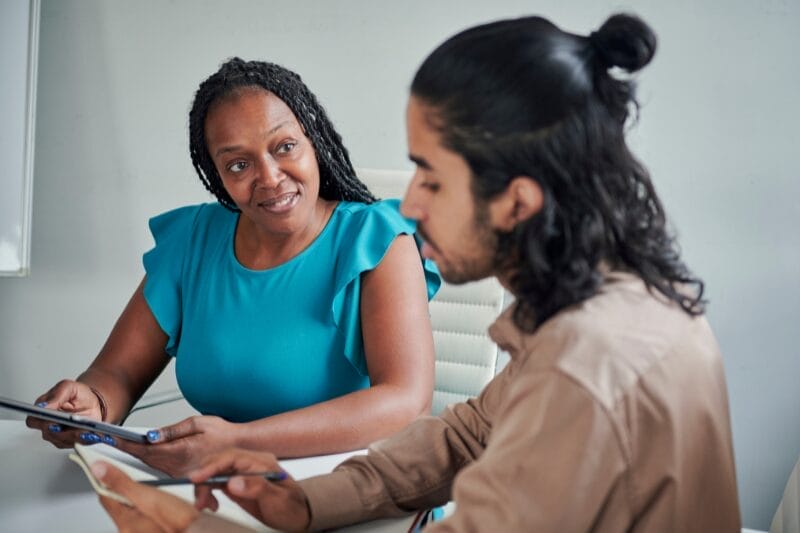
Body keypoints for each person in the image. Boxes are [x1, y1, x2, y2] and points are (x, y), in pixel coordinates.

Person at [93, 13, 741, 532]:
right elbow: (467, 435)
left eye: (431, 177)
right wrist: (307, 502)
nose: (411, 202)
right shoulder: (597, 308)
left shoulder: (586, 367)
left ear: (516, 200)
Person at [27, 58, 440, 476]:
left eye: (284, 147)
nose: (269, 177)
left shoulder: (376, 241)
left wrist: (239, 442)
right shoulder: (193, 240)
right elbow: (117, 373)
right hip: (216, 491)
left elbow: (406, 402)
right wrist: (92, 403)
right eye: (239, 165)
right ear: (217, 176)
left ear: (313, 139)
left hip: (347, 491)